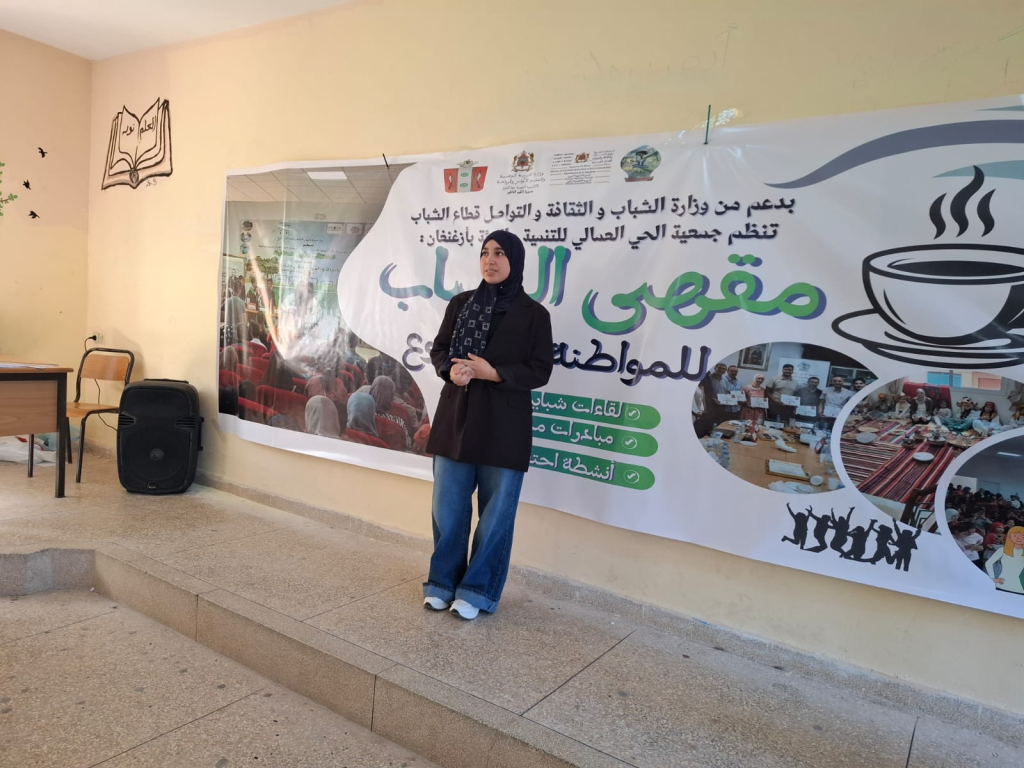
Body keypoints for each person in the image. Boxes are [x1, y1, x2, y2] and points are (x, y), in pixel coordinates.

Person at [424, 230, 553, 620]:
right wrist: (451, 371)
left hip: (504, 426)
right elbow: (440, 350)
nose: (489, 260)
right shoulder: (461, 304)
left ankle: (477, 591)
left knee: (496, 516)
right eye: (484, 253)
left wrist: (493, 373)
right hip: (457, 418)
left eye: (499, 253)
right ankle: (441, 584)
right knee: (448, 508)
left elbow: (540, 370)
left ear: (515, 260)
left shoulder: (535, 315)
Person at [985, 526, 1024, 594]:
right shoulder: (1002, 550)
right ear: (1009, 536)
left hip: (1019, 586)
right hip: (1002, 583)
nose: (1018, 538)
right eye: (1015, 536)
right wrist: (992, 578)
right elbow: (988, 563)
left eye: (1022, 536)